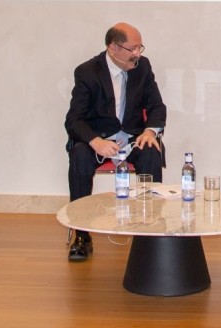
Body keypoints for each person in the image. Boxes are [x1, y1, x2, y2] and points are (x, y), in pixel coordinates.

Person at [64, 23, 166, 262]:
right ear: (113, 47)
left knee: (151, 150)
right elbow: (74, 119)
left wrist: (150, 132)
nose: (137, 54)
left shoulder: (143, 67)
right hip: (98, 138)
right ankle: (81, 234)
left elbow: (157, 106)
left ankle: (149, 231)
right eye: (132, 48)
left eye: (140, 47)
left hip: (131, 137)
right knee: (79, 155)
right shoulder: (87, 71)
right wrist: (95, 141)